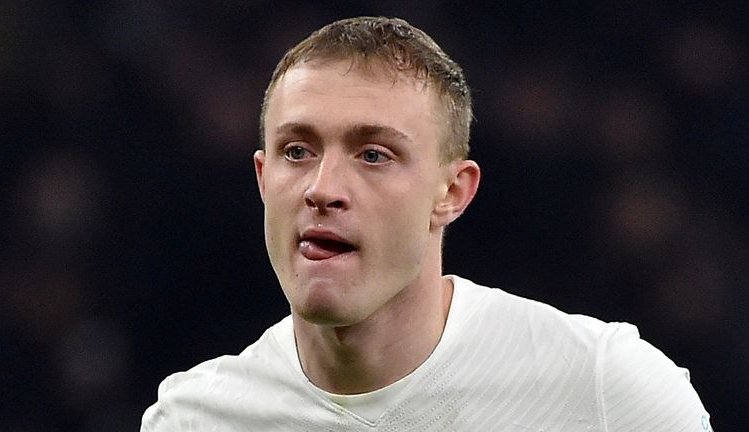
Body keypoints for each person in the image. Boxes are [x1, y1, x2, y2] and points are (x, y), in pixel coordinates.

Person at [141, 16, 712, 431]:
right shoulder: (194, 419)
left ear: (452, 192)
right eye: (297, 151)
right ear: (263, 179)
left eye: (373, 155)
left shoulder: (603, 387)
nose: (322, 189)